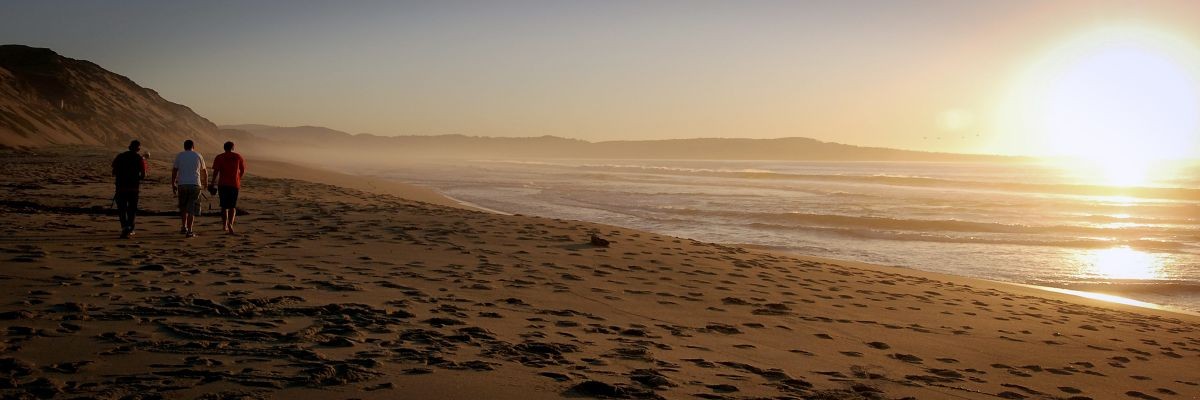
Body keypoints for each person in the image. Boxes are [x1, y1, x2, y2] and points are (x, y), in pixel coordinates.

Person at [111, 140, 147, 239]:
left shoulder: (120, 156)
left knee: (122, 209)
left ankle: (124, 227)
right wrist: (136, 177)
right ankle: (130, 229)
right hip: (133, 188)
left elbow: (113, 171)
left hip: (120, 187)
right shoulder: (139, 159)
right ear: (138, 149)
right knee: (132, 210)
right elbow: (144, 175)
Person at [171, 139, 207, 238]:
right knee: (192, 208)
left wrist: (173, 183)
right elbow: (204, 171)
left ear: (184, 146)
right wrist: (205, 183)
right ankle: (190, 231)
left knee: (183, 207)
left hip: (182, 184)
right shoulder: (198, 155)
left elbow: (174, 170)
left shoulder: (180, 155)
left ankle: (184, 226)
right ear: (193, 146)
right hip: (195, 184)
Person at [209, 141, 246, 235]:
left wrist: (212, 183)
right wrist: (238, 178)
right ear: (233, 148)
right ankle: (231, 224)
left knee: (224, 206)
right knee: (232, 206)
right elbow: (242, 170)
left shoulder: (219, 157)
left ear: (224, 148)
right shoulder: (238, 156)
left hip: (223, 184)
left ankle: (224, 225)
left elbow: (216, 172)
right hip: (234, 184)